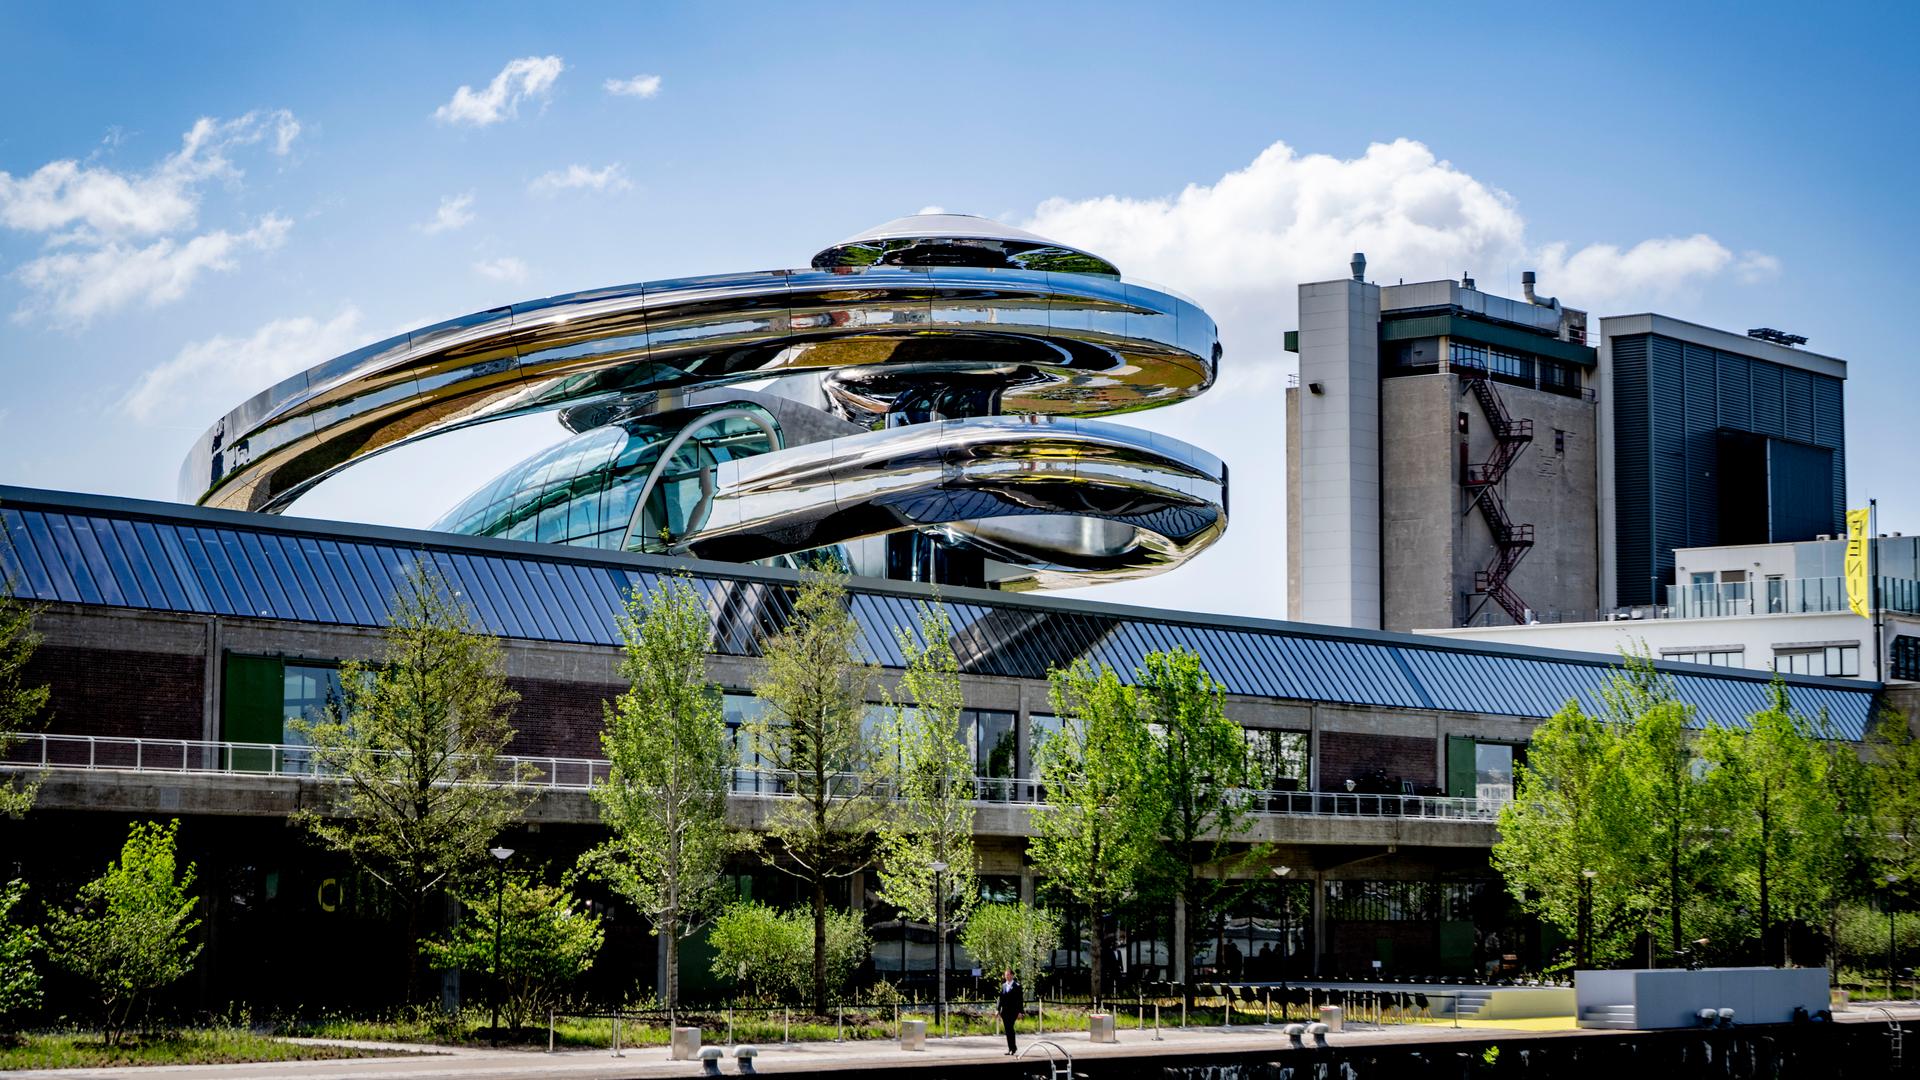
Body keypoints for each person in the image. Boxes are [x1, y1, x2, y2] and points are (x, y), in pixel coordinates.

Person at [997, 968, 1023, 1055]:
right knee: (1007, 1030)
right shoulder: (1003, 985)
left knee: (1010, 1028)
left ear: (1012, 975)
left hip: (1013, 1012)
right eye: (1006, 975)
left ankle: (1013, 1048)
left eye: (1008, 974)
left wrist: (1020, 1012)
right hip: (1005, 1012)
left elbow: (1020, 1000)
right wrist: (998, 1009)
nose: (1007, 976)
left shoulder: (1017, 986)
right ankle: (1010, 1048)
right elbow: (1000, 999)